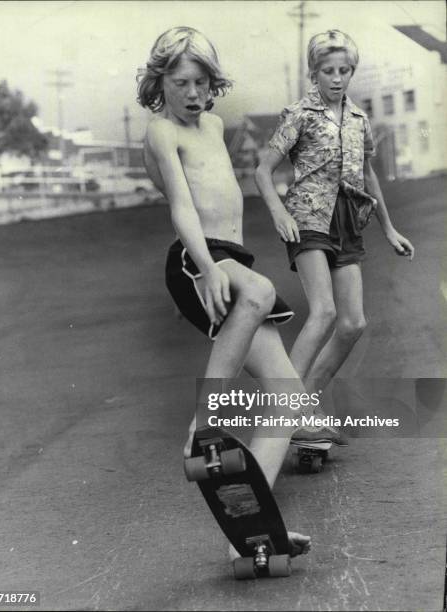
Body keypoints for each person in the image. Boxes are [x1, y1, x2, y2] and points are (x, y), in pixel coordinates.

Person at [137, 26, 316, 559]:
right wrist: (210, 266)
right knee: (259, 289)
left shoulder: (214, 123)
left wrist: (225, 263)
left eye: (202, 82)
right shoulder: (160, 132)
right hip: (197, 257)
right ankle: (204, 423)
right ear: (159, 82)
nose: (193, 93)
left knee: (289, 397)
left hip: (227, 259)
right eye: (181, 82)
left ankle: (251, 521)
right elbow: (181, 206)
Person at [255, 30, 414, 415]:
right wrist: (278, 213)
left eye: (344, 70)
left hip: (347, 221)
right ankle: (283, 411)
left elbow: (368, 175)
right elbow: (262, 170)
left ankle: (303, 403)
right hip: (307, 217)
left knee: (353, 323)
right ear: (315, 73)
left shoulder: (359, 119)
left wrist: (388, 229)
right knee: (324, 311)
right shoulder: (299, 115)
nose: (337, 78)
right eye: (328, 70)